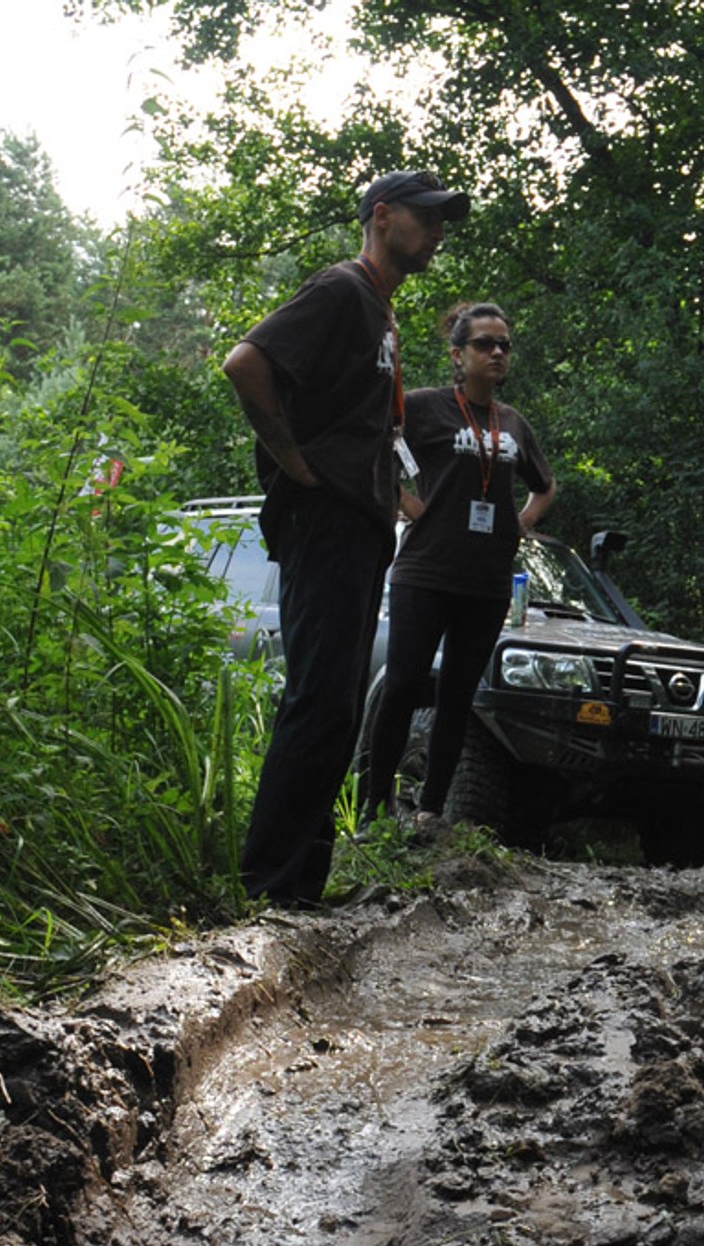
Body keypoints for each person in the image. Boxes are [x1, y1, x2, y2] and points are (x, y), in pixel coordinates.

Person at [223, 168, 469, 905]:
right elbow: (246, 364)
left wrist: (390, 491)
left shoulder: (378, 311)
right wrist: (295, 462)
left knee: (338, 705)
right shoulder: (339, 291)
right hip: (324, 524)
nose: (437, 232)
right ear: (381, 215)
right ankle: (268, 886)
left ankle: (302, 882)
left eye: (442, 221)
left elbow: (359, 423)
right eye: (426, 217)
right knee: (319, 699)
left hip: (360, 526)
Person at [361, 302, 554, 829]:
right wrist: (404, 500)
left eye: (504, 345)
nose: (497, 352)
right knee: (401, 685)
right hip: (425, 573)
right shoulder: (426, 407)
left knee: (457, 698)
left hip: (487, 583)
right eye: (485, 344)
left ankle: (430, 810)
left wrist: (519, 523)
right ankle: (372, 809)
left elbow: (545, 485)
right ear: (457, 355)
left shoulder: (512, 421)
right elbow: (379, 443)